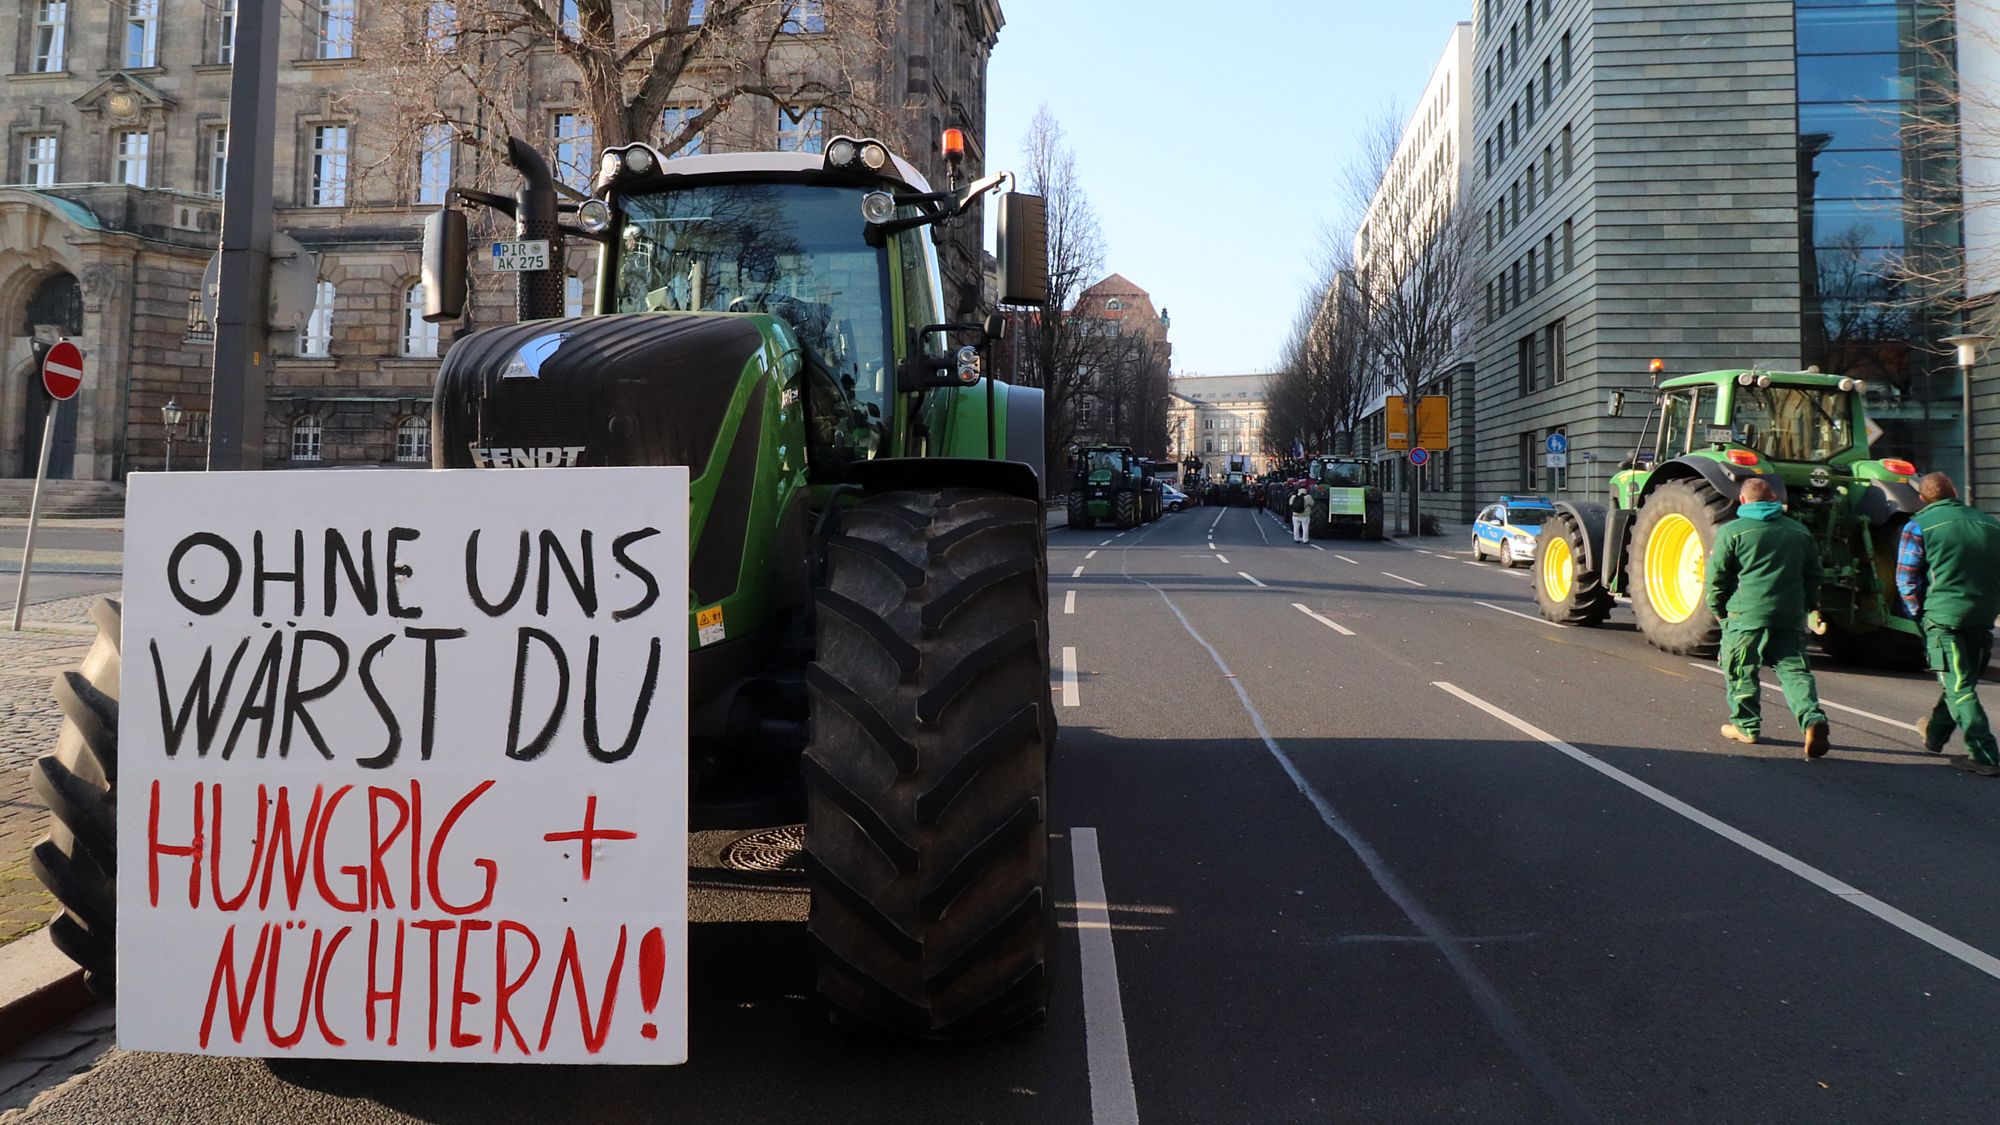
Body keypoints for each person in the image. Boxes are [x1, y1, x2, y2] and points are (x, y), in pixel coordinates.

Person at [1704, 476, 1831, 757]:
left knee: (1741, 669)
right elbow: (1813, 576)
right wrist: (1808, 607)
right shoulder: (1799, 531)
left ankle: (1745, 726)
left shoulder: (1733, 531)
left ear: (1742, 501)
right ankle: (1812, 719)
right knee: (1794, 671)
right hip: (1789, 613)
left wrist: (1718, 610)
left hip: (1746, 613)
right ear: (1774, 499)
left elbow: (1717, 577)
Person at [1895, 472, 2000, 776]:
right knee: (1961, 680)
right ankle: (1935, 735)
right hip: (1983, 616)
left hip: (1943, 616)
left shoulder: (1919, 526)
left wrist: (1918, 614)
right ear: (1955, 492)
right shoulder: (1991, 524)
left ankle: (1984, 754)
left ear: (1923, 499)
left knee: (1959, 685)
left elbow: (1905, 580)